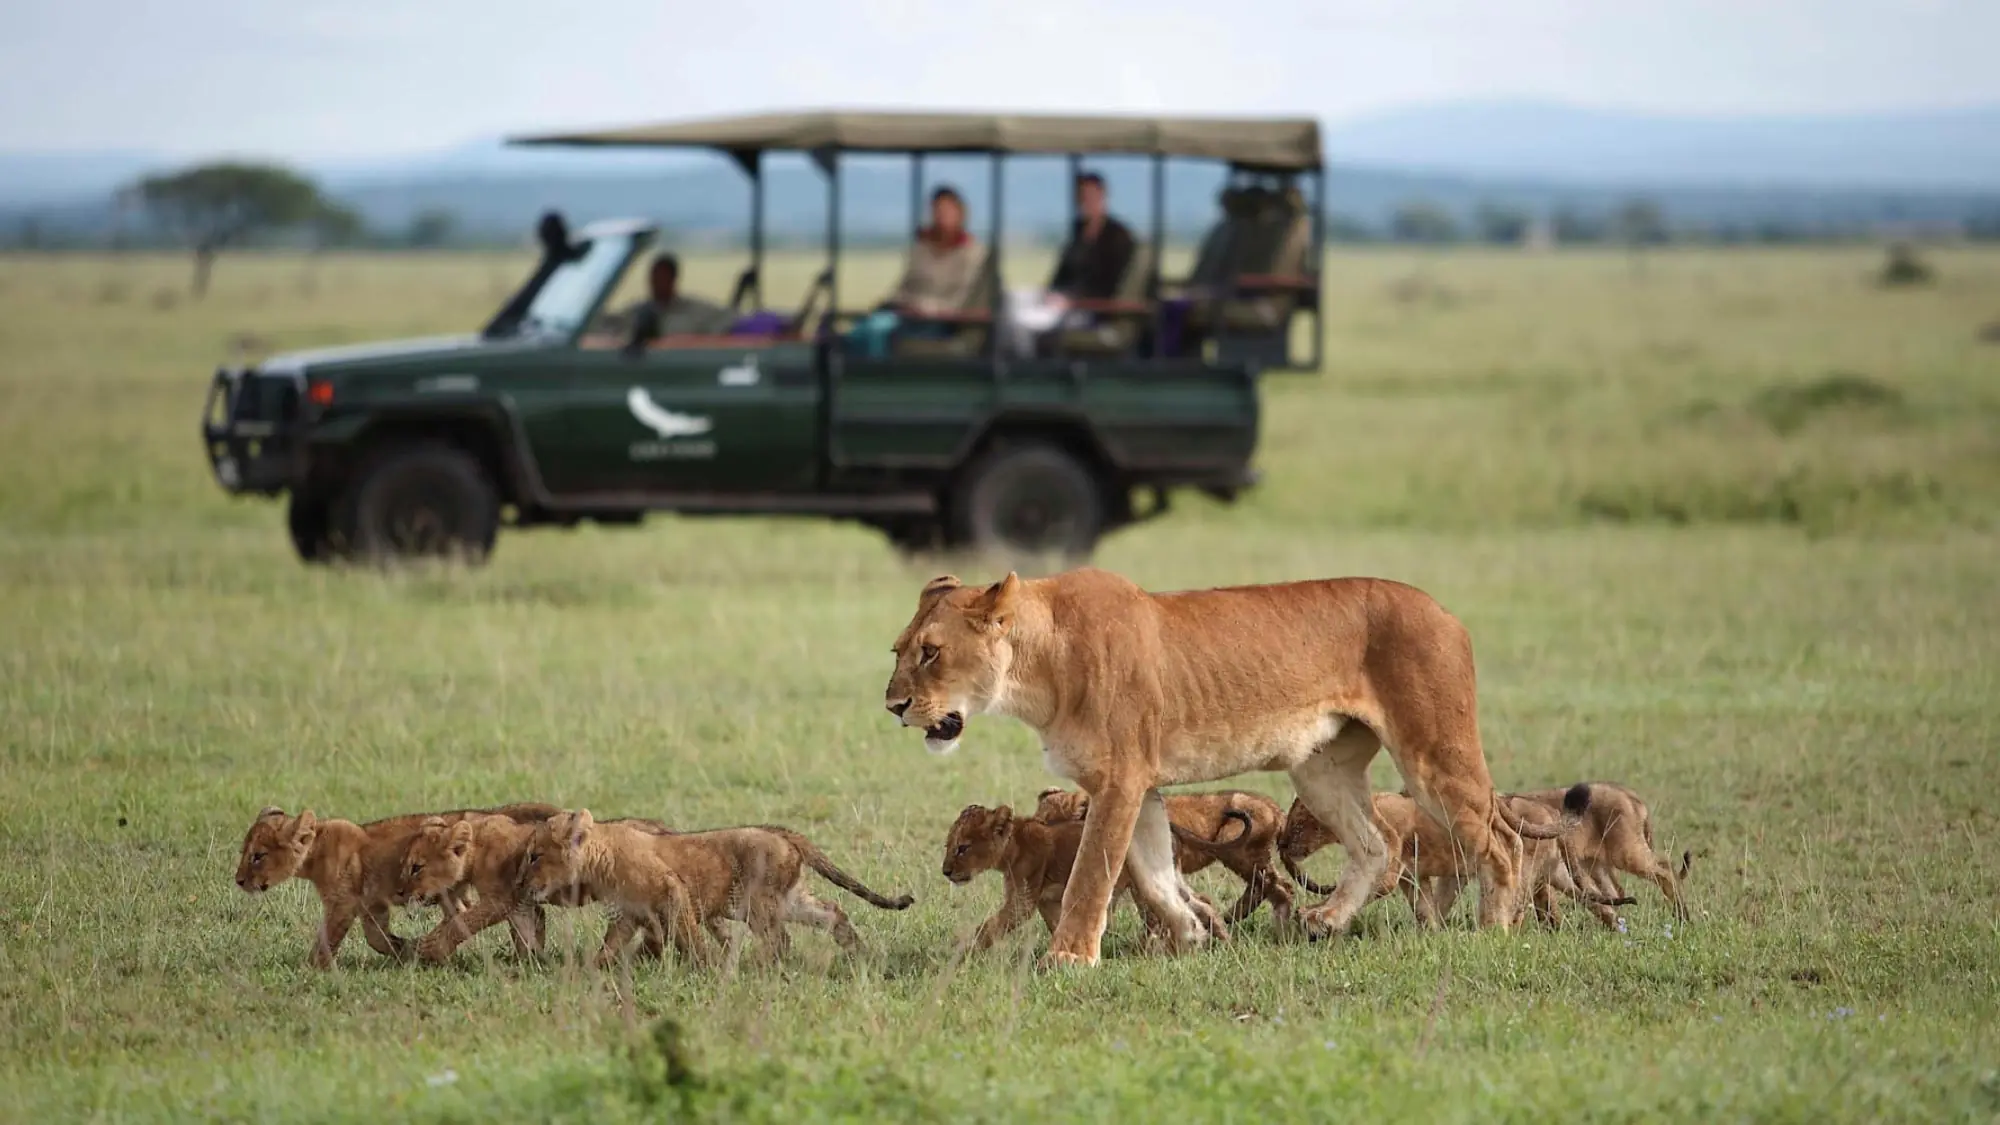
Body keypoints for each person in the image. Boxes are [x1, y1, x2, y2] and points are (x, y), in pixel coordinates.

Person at [1002, 171, 1137, 357]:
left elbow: (1109, 286)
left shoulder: (1117, 237)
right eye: (1082, 197)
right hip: (1062, 299)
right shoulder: (1078, 231)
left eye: (1092, 196)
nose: (1087, 202)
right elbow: (1062, 272)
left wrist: (1073, 301)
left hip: (1090, 309)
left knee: (1027, 325)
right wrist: (1050, 293)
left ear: (1103, 196)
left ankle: (1028, 366)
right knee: (1012, 299)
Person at [848, 186, 987, 357]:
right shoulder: (921, 248)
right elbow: (904, 286)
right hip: (907, 312)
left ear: (961, 214)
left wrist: (928, 307)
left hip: (942, 320)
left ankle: (878, 375)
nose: (942, 216)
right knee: (863, 329)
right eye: (938, 210)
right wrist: (899, 303)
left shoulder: (972, 253)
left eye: (948, 211)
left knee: (877, 332)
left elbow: (963, 297)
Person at [605, 252, 735, 349]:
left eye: (662, 278)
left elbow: (729, 320)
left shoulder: (695, 311)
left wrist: (701, 341)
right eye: (654, 278)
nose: (656, 283)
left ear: (673, 279)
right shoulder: (638, 311)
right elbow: (611, 326)